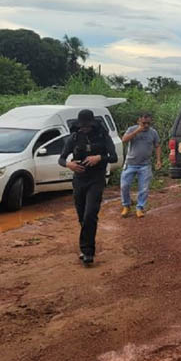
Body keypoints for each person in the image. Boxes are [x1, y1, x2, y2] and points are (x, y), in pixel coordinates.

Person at [59, 109, 118, 266]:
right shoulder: (74, 137)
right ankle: (86, 245)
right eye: (82, 126)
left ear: (92, 124)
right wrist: (69, 164)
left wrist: (99, 157)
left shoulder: (102, 136)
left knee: (90, 213)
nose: (84, 128)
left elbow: (114, 157)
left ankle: (87, 252)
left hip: (96, 179)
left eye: (87, 126)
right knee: (82, 216)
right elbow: (61, 158)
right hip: (79, 179)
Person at [119, 112, 162, 218]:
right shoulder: (132, 129)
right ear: (139, 121)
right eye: (144, 123)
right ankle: (126, 205)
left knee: (144, 188)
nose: (146, 125)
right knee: (124, 186)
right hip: (130, 163)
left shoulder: (153, 132)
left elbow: (157, 146)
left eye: (148, 123)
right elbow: (124, 140)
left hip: (145, 165)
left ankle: (140, 207)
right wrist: (137, 130)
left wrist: (158, 160)